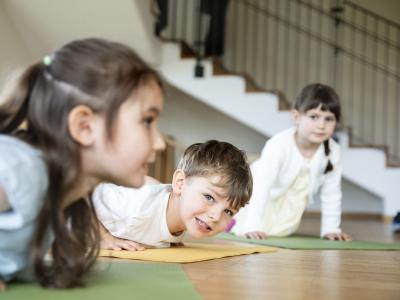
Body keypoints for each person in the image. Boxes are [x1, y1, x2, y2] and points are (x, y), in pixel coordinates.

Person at [0, 38, 165, 290]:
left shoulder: (61, 202)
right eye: (147, 121)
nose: (160, 143)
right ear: (84, 126)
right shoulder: (22, 170)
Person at [232, 83, 352, 241]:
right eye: (314, 117)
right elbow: (262, 187)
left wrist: (331, 229)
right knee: (242, 226)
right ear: (296, 116)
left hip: (288, 207)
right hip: (254, 197)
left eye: (329, 119)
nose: (321, 125)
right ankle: (232, 221)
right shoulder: (279, 145)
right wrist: (252, 225)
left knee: (278, 232)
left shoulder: (333, 151)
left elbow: (332, 193)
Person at [93, 140, 253, 250]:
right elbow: (80, 196)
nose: (216, 216)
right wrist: (105, 237)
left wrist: (169, 238)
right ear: (180, 183)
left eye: (228, 211)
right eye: (209, 197)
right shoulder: (137, 207)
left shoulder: (182, 219)